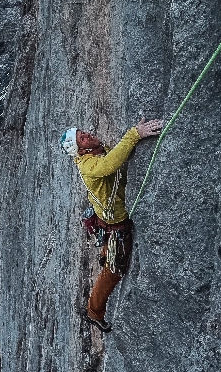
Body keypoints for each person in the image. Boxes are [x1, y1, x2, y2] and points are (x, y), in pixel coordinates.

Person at [59, 119, 163, 333]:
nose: (87, 134)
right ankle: (93, 312)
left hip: (107, 216)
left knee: (112, 256)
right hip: (116, 221)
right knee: (114, 271)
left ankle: (107, 251)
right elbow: (109, 165)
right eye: (82, 138)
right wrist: (135, 134)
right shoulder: (88, 165)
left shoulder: (96, 149)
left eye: (82, 132)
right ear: (80, 150)